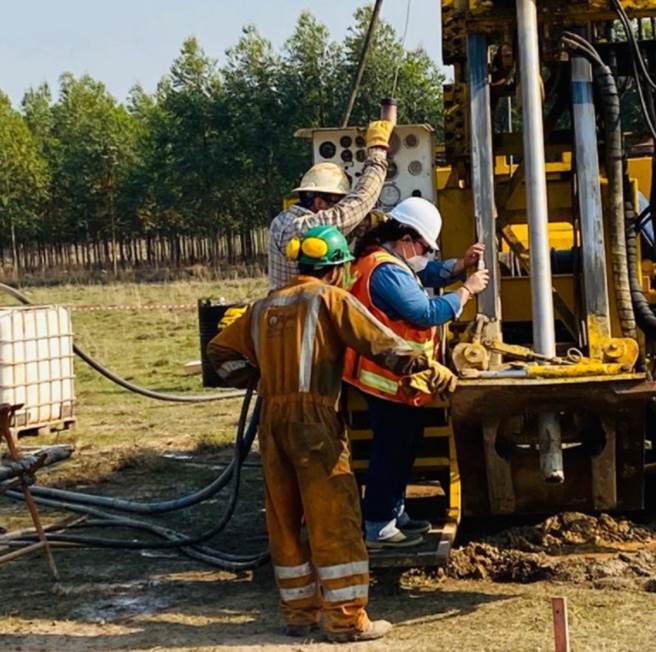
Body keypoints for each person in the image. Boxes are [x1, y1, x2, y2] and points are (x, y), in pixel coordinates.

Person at [207, 225, 455, 642]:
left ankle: (299, 614)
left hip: (273, 422)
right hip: (314, 422)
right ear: (337, 268)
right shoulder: (331, 299)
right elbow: (383, 345)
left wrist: (257, 378)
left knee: (284, 519)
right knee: (333, 516)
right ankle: (345, 620)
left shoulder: (264, 305)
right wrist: (429, 367)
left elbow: (219, 353)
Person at [343, 196, 489, 549]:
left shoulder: (386, 259)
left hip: (395, 377)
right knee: (391, 450)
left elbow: (425, 272)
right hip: (388, 378)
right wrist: (466, 290)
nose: (427, 253)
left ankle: (394, 511)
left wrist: (459, 266)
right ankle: (378, 523)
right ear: (407, 238)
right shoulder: (386, 270)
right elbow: (424, 312)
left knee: (403, 445)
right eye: (425, 246)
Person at [268, 118, 395, 289]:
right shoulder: (299, 227)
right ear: (319, 202)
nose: (340, 206)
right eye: (338, 202)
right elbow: (360, 200)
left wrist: (365, 223)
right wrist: (377, 151)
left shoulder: (285, 221)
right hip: (302, 311)